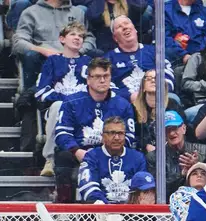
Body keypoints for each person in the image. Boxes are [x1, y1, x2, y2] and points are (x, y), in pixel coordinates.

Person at [54, 57, 136, 203]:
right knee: (63, 156)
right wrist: (76, 151)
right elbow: (62, 133)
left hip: (111, 152)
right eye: (97, 76)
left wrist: (105, 153)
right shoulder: (71, 101)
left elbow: (129, 136)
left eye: (106, 76)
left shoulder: (123, 104)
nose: (102, 80)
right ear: (88, 79)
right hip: (80, 152)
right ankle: (64, 208)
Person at [36, 21, 92, 177]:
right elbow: (41, 91)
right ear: (62, 39)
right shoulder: (53, 61)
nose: (77, 38)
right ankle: (50, 160)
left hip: (84, 106)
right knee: (58, 106)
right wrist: (65, 98)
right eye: (72, 34)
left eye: (81, 36)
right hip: (58, 107)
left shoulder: (89, 62)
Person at [12, 0, 96, 89]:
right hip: (44, 58)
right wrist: (44, 51)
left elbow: (89, 38)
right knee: (31, 55)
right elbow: (19, 42)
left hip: (74, 56)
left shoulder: (78, 13)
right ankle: (31, 97)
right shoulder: (30, 12)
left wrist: (79, 51)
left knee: (96, 53)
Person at [147, 110, 206, 199]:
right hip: (170, 203)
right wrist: (181, 176)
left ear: (184, 128)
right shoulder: (154, 157)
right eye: (167, 130)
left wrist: (197, 166)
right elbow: (157, 192)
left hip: (203, 199)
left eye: (174, 128)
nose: (171, 133)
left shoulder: (204, 151)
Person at [106, 15, 175, 103]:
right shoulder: (108, 59)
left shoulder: (155, 51)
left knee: (173, 98)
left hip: (158, 98)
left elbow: (168, 73)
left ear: (135, 29)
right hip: (128, 103)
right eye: (119, 27)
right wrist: (129, 96)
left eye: (126, 23)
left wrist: (158, 91)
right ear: (115, 38)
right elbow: (107, 85)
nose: (124, 27)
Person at [78, 116, 147, 204]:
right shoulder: (91, 156)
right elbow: (88, 186)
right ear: (103, 136)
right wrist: (105, 207)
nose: (117, 137)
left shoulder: (138, 158)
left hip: (131, 212)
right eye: (112, 133)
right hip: (100, 211)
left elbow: (142, 188)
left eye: (120, 133)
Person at [164, 0, 206, 65]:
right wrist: (183, 55)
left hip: (201, 60)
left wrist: (197, 56)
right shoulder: (166, 10)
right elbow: (164, 38)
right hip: (175, 60)